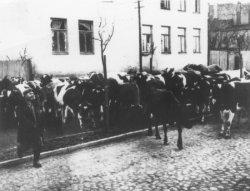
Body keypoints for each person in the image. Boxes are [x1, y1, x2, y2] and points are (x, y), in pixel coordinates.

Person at [16, 87, 44, 168]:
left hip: (36, 128)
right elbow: (21, 118)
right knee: (26, 145)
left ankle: (36, 161)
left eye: (32, 93)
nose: (32, 94)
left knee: (38, 144)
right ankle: (20, 149)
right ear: (25, 96)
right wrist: (31, 125)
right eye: (29, 93)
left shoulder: (36, 104)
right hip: (26, 130)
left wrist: (41, 126)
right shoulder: (20, 106)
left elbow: (40, 115)